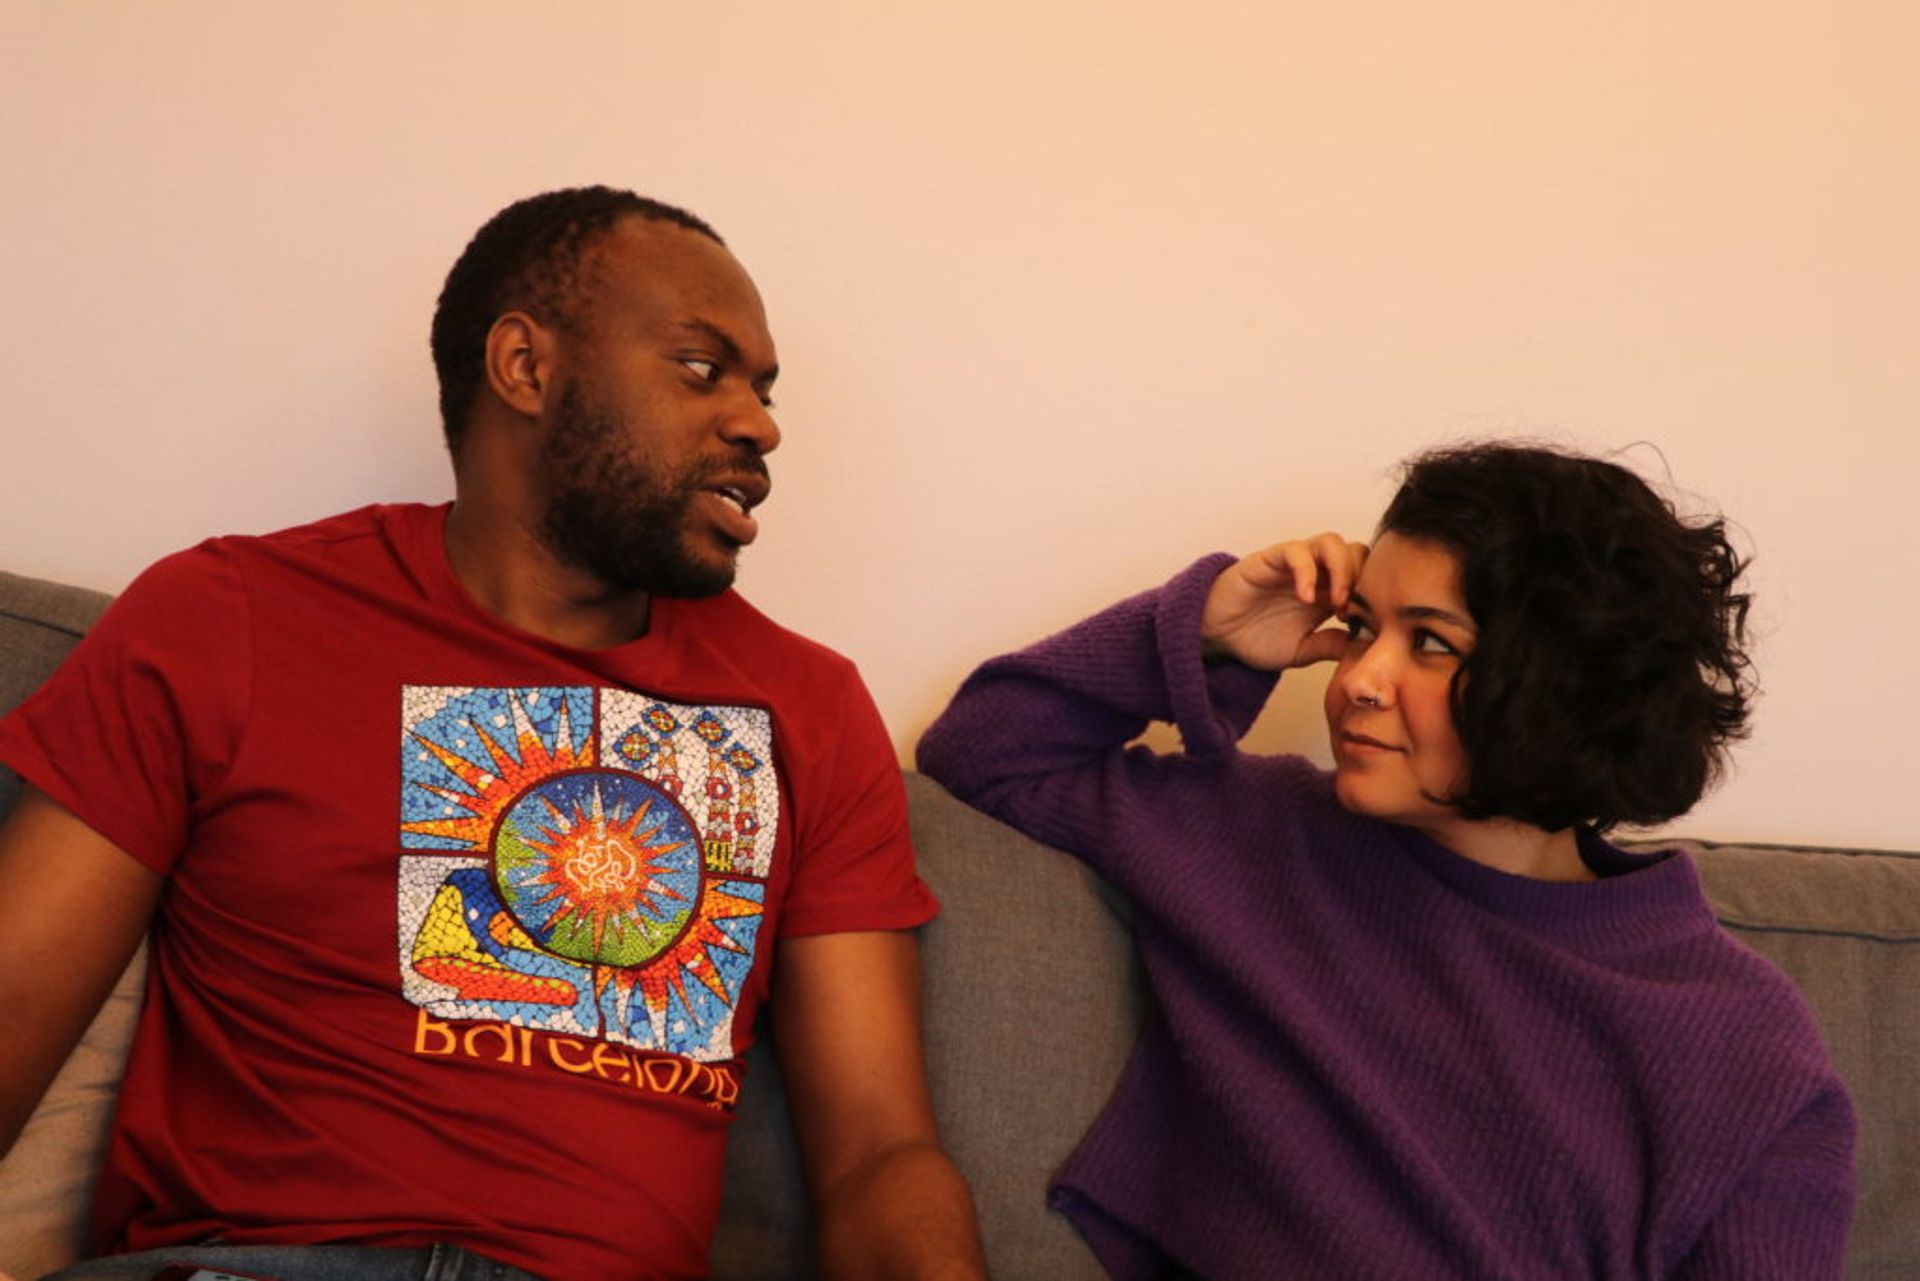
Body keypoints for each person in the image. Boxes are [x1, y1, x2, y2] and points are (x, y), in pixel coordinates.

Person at [0, 187, 985, 1281]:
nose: (759, 422)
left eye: (762, 388)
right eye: (703, 369)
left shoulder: (805, 705)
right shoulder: (227, 617)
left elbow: (879, 1157)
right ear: (525, 367)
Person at [917, 442, 1854, 1279]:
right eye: (1363, 627)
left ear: (1566, 681)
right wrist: (1207, 628)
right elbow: (985, 747)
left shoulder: (1745, 1048)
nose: (1358, 678)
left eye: (1432, 643)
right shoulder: (1254, 831)